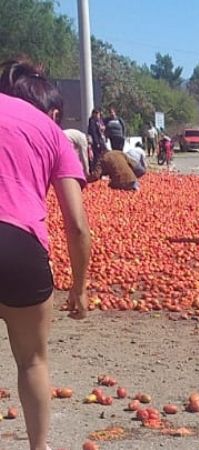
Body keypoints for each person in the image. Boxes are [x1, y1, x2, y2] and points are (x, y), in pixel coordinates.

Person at [0, 59, 91, 450]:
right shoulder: (51, 132)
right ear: (51, 109)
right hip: (20, 245)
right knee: (32, 361)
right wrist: (79, 288)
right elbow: (77, 225)